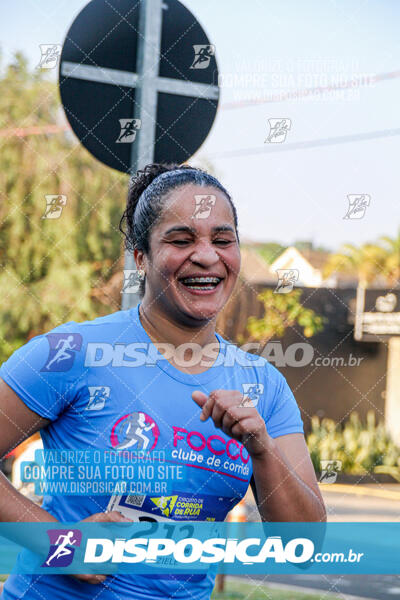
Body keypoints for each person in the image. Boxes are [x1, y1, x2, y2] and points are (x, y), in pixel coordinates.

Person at [0, 163, 326, 600]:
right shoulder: (72, 353)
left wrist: (263, 451)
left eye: (223, 240)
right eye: (181, 239)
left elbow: (304, 547)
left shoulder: (263, 386)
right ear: (141, 257)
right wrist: (59, 543)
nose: (207, 256)